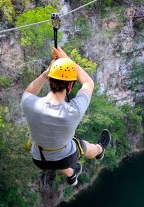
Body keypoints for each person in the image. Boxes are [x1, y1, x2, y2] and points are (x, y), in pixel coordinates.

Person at [21, 47, 111, 186]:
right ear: (70, 86)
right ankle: (100, 150)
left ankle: (71, 174)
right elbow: (88, 83)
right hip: (65, 158)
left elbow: (29, 91)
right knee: (84, 146)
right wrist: (67, 60)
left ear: (50, 80)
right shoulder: (73, 111)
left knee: (52, 152)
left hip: (38, 158)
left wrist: (46, 73)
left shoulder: (29, 103)